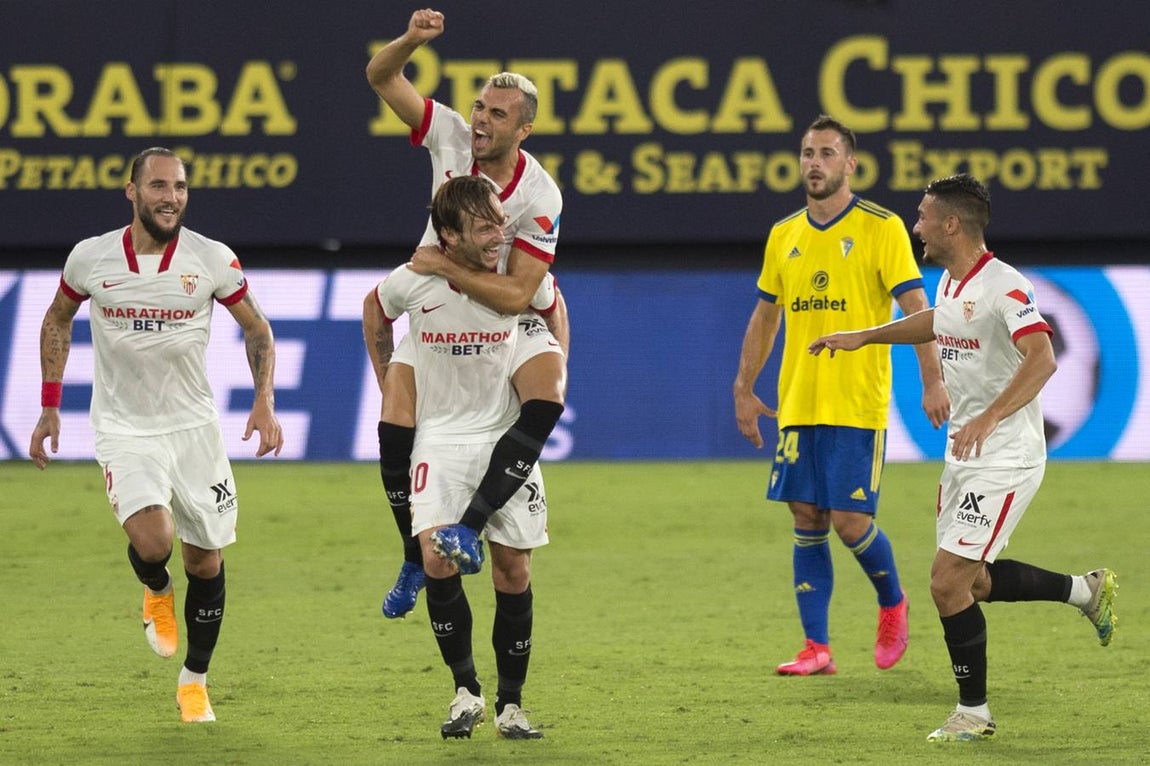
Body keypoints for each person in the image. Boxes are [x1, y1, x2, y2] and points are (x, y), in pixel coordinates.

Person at [809, 172, 1118, 741]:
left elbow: (1042, 357)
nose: (916, 224)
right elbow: (938, 321)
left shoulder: (1005, 285)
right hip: (965, 454)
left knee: (946, 583)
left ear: (952, 223)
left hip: (1005, 456)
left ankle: (973, 712)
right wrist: (865, 335)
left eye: (924, 215)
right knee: (971, 583)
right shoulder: (951, 282)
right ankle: (1084, 590)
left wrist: (989, 416)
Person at [28, 147, 284, 723]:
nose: (172, 197)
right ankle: (154, 588)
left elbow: (258, 330)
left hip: (195, 430)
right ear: (132, 191)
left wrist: (264, 402)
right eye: (161, 186)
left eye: (182, 188)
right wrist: (50, 407)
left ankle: (194, 681)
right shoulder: (91, 258)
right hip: (123, 427)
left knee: (207, 562)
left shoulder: (211, 259)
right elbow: (56, 319)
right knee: (155, 543)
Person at [366, 7, 567, 619]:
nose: (480, 120)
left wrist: (444, 265)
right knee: (394, 428)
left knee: (539, 405)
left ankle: (474, 526)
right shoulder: (449, 133)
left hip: (506, 315)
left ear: (523, 131)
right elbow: (381, 77)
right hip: (438, 310)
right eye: (480, 106)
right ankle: (411, 553)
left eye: (496, 114)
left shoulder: (540, 195)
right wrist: (410, 41)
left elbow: (518, 295)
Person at [733, 115, 949, 675]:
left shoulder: (882, 226)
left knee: (850, 521)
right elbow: (765, 317)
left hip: (856, 401)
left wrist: (932, 379)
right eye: (807, 153)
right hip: (799, 400)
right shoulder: (785, 235)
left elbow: (915, 310)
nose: (814, 163)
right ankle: (816, 647)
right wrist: (743, 386)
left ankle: (892, 602)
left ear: (849, 163)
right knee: (805, 515)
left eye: (827, 153)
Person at [363, 175, 564, 740]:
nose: (499, 234)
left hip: (502, 433)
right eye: (484, 227)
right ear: (448, 236)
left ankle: (512, 705)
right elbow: (373, 310)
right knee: (437, 561)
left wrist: (555, 353)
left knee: (513, 568)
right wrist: (388, 380)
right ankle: (465, 692)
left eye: (500, 221)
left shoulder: (517, 278)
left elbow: (554, 306)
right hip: (443, 438)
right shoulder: (414, 281)